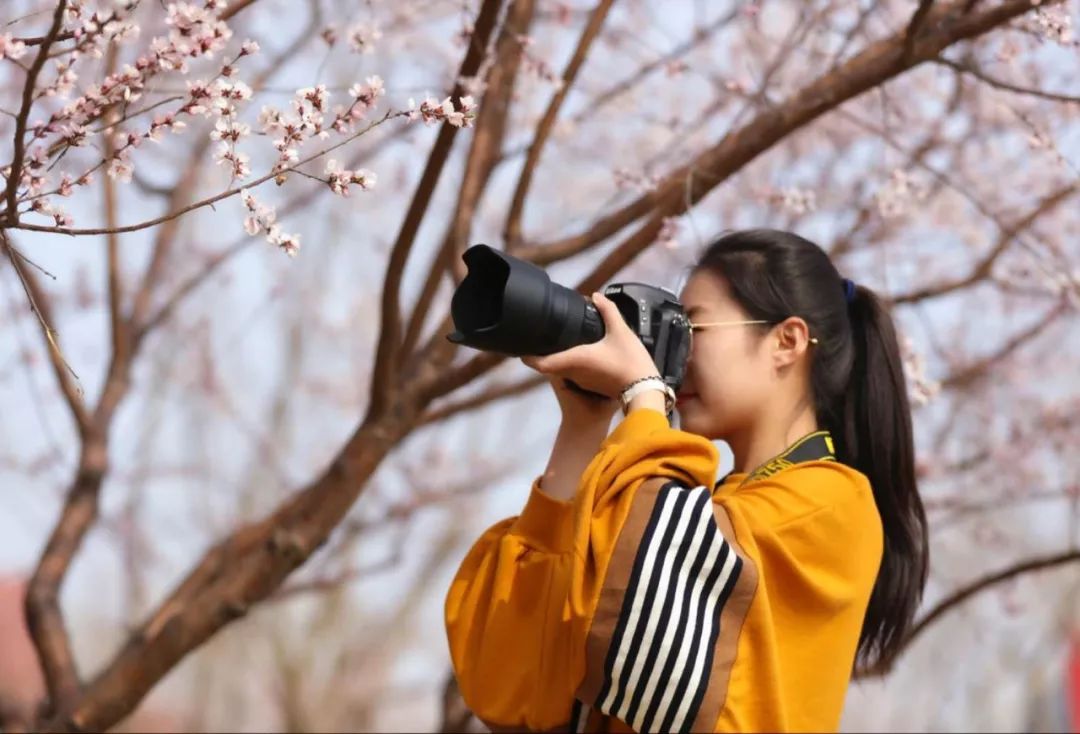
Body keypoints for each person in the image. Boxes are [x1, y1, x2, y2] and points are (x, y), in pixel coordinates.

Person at [443, 228, 929, 733]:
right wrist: (583, 426)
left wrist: (643, 395)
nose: (678, 356)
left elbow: (647, 624)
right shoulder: (715, 508)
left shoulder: (833, 500)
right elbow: (518, 682)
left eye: (695, 330)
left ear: (786, 342)